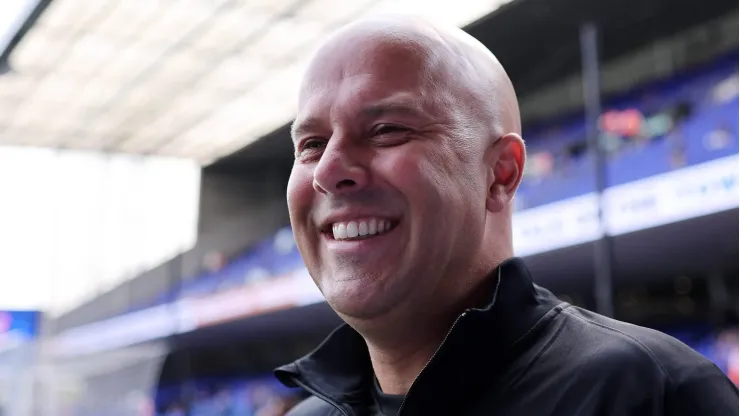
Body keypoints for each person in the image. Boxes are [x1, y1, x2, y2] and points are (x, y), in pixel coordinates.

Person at [274, 14, 738, 416]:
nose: (329, 171)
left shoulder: (649, 394)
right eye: (311, 144)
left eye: (386, 130)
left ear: (501, 173)